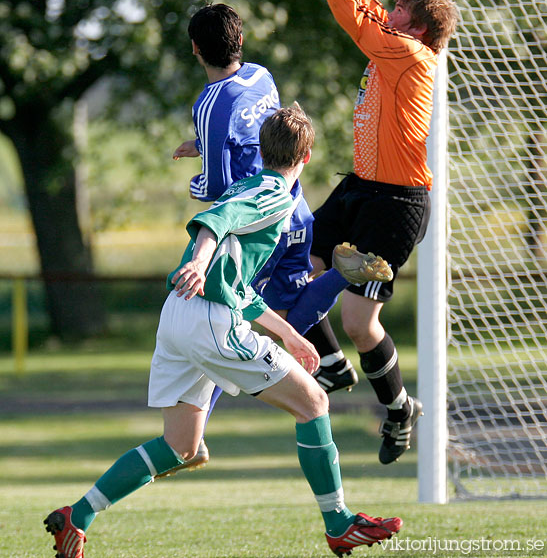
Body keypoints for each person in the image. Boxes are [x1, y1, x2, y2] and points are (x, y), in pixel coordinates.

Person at [44, 105, 402, 558]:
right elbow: (217, 220)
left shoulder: (251, 183)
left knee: (180, 445)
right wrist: (197, 259)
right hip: (210, 319)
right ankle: (338, 523)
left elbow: (237, 286)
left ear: (262, 148)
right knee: (313, 402)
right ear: (306, 155)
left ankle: (77, 515)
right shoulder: (274, 194)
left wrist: (288, 335)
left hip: (179, 314)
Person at [296, 0, 459, 464]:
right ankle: (334, 370)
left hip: (398, 204)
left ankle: (397, 409)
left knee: (360, 322)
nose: (386, 13)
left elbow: (353, 15)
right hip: (362, 187)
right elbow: (361, 1)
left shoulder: (412, 55)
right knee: (293, 261)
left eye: (398, 10)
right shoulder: (396, 45)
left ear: (417, 26)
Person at [173, 3, 390, 406]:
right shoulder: (260, 75)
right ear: (240, 40)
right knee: (288, 311)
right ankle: (341, 283)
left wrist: (197, 181)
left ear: (195, 49)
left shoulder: (208, 104)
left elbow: (218, 185)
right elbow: (258, 132)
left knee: (228, 315)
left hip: (258, 222)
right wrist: (203, 144)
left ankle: (197, 424)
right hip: (295, 208)